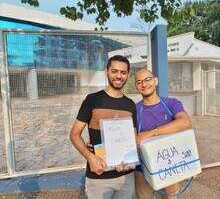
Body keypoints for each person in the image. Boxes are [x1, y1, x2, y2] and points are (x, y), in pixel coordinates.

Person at [70, 55, 137, 199]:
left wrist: (130, 158)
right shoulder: (92, 100)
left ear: (128, 75)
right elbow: (74, 134)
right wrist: (90, 157)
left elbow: (133, 138)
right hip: (98, 177)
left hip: (126, 176)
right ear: (107, 71)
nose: (119, 76)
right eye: (114, 71)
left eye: (123, 72)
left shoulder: (130, 105)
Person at [134, 68, 192, 199]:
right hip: (142, 169)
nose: (144, 84)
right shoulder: (134, 109)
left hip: (169, 166)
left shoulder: (171, 103)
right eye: (139, 82)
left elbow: (185, 122)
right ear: (137, 87)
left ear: (155, 81)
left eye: (147, 79)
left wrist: (151, 133)